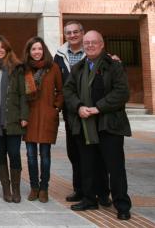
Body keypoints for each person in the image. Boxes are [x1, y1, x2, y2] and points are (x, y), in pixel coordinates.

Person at [64, 30, 132, 221]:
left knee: (115, 168)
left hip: (109, 125)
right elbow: (67, 91)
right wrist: (78, 107)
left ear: (102, 44)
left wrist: (97, 108)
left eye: (94, 42)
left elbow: (122, 93)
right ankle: (89, 198)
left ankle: (122, 204)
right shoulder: (78, 68)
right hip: (85, 125)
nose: (90, 46)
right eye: (87, 43)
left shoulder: (114, 65)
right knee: (88, 165)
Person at [55, 21, 110, 204]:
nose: (72, 35)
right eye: (68, 33)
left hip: (95, 112)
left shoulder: (94, 54)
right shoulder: (59, 55)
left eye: (76, 32)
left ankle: (102, 192)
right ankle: (80, 190)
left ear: (83, 33)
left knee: (99, 153)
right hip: (72, 112)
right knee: (76, 153)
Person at [0, 35, 27, 203]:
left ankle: (16, 189)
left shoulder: (17, 68)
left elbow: (23, 95)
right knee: (0, 155)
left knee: (14, 154)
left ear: (7, 49)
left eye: (2, 47)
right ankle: (6, 189)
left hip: (13, 119)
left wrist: (24, 116)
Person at [22, 36, 63, 203]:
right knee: (31, 155)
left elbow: (61, 91)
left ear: (43, 50)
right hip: (29, 117)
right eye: (33, 49)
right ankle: (34, 187)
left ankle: (44, 188)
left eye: (39, 49)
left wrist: (55, 108)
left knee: (45, 155)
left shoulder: (53, 67)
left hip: (47, 116)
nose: (37, 52)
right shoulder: (24, 69)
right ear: (29, 52)